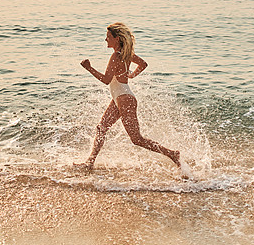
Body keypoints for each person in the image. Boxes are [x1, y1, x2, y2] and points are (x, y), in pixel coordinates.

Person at [76, 22, 181, 171]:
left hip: (125, 99)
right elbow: (143, 64)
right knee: (101, 128)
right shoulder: (126, 55)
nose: (106, 40)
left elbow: (106, 80)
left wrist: (89, 68)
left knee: (137, 139)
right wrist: (131, 75)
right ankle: (90, 162)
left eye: (108, 37)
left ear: (117, 39)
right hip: (120, 98)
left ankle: (172, 154)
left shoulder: (115, 56)